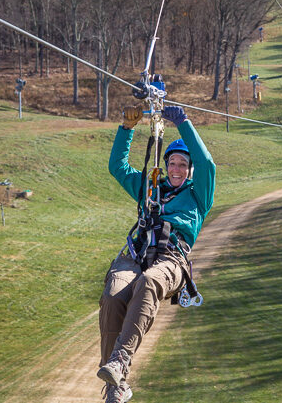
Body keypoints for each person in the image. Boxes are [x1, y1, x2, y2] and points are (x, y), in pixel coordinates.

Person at [97, 105, 216, 403]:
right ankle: (116, 386)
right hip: (135, 255)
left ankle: (120, 360)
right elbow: (118, 167)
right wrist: (126, 128)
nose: (176, 169)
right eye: (172, 163)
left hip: (171, 259)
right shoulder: (150, 188)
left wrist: (184, 123)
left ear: (189, 170)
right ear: (165, 165)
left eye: (182, 165)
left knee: (150, 282)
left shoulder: (198, 195)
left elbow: (208, 163)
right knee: (113, 297)